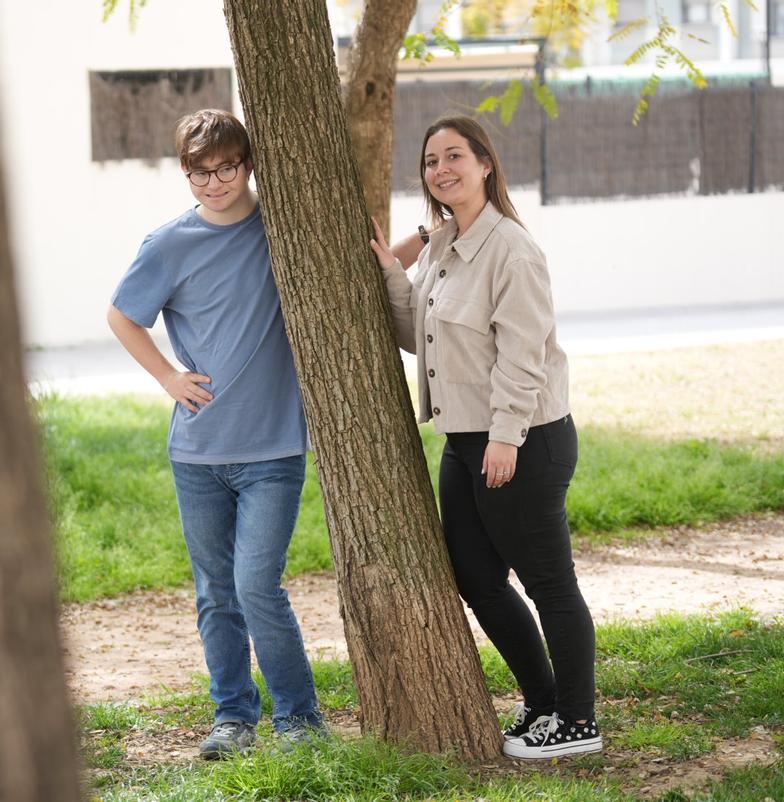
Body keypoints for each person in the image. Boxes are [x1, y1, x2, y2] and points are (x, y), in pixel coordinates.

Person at [369, 115, 601, 760]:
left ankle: (579, 721)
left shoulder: (512, 250)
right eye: (430, 160)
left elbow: (523, 354)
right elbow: (420, 334)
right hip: (464, 441)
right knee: (475, 577)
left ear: (485, 164)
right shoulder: (445, 248)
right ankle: (544, 702)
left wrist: (506, 437)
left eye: (454, 157)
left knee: (549, 582)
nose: (441, 169)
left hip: (524, 438)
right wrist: (390, 267)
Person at [106, 109, 328, 759]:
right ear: (186, 174)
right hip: (198, 453)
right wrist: (170, 378)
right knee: (216, 594)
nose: (213, 182)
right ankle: (233, 717)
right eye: (198, 172)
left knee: (257, 584)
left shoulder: (278, 230)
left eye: (225, 167)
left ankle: (298, 721)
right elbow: (123, 316)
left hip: (274, 449)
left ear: (248, 163)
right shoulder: (169, 244)